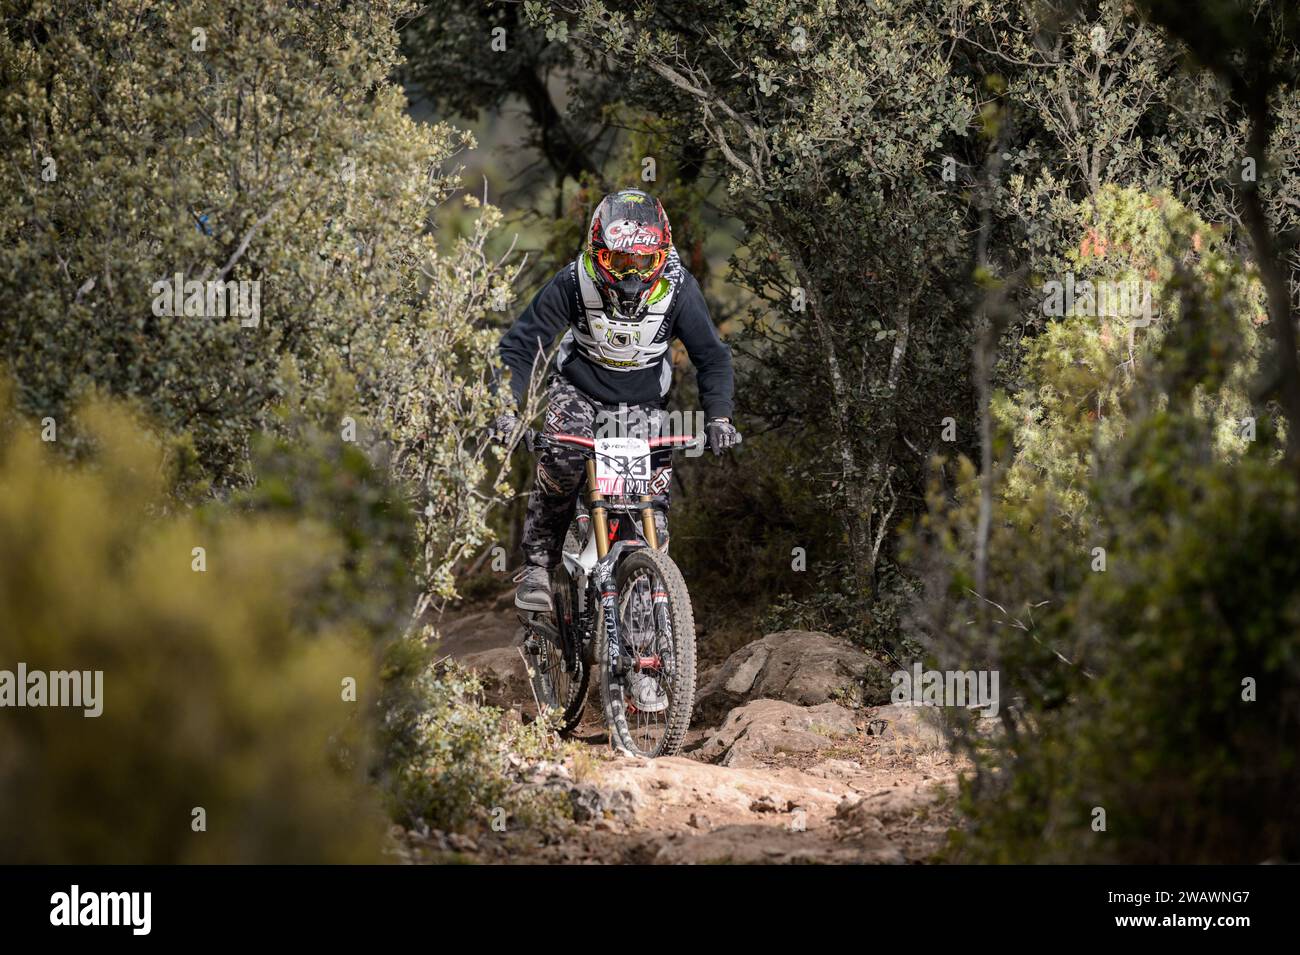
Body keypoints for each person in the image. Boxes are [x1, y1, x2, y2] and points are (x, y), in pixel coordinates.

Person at [497, 188, 741, 616]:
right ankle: (537, 566)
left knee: (648, 510)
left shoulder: (679, 290)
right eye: (619, 260)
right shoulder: (574, 282)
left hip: (643, 402)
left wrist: (719, 417)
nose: (631, 275)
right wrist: (506, 408)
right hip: (579, 390)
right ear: (597, 253)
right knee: (562, 459)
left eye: (642, 262)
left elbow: (713, 357)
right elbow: (521, 345)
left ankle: (649, 633)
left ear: (660, 256)